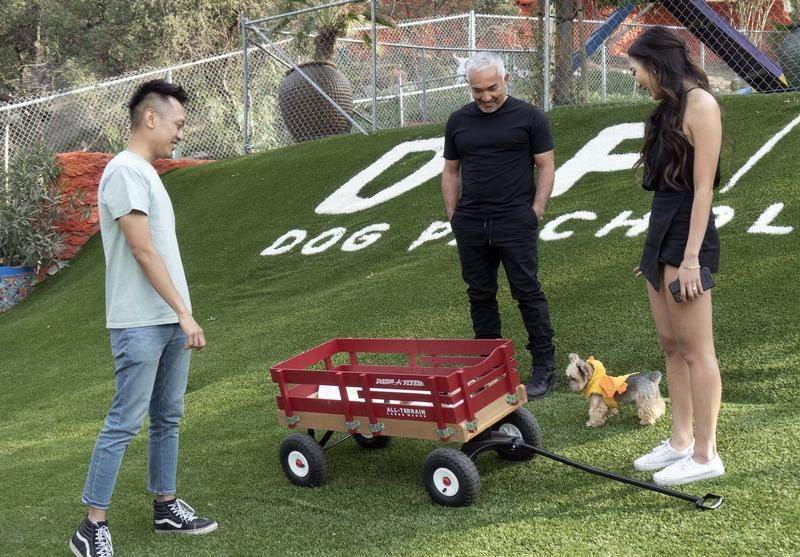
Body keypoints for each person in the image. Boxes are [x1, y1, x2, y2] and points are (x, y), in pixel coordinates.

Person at [70, 80, 217, 557]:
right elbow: (142, 249)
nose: (181, 134)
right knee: (124, 422)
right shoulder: (124, 172)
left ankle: (166, 506)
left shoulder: (147, 174)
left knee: (167, 416)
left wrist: (180, 315)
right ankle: (91, 525)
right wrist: (184, 312)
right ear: (150, 118)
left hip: (169, 320)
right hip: (140, 322)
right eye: (178, 123)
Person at [627, 27, 725, 486]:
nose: (636, 79)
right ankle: (681, 441)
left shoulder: (701, 105)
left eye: (637, 70)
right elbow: (663, 188)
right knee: (671, 344)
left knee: (697, 351)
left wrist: (689, 260)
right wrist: (653, 253)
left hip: (689, 234)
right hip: (662, 230)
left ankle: (706, 456)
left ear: (656, 63)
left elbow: (703, 189)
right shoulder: (667, 109)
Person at [442, 51, 557, 399]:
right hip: (471, 223)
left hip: (515, 220)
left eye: (492, 88)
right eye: (477, 90)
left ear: (506, 79)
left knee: (527, 291)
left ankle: (544, 367)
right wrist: (454, 217)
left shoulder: (529, 117)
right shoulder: (458, 120)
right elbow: (451, 171)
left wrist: (536, 210)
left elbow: (546, 166)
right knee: (480, 295)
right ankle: (490, 369)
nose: (486, 96)